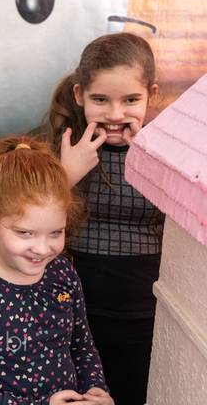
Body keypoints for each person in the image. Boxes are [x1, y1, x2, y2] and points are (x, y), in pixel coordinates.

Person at [0, 136, 112, 405]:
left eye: (55, 233)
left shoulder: (61, 271)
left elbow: (81, 345)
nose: (42, 249)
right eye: (25, 233)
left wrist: (96, 389)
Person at [45, 32, 163, 405]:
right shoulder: (58, 148)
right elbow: (19, 223)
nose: (115, 114)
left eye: (131, 100)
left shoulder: (166, 153)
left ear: (151, 95)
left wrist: (153, 164)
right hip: (70, 312)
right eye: (100, 100)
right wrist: (65, 175)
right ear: (80, 95)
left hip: (144, 313)